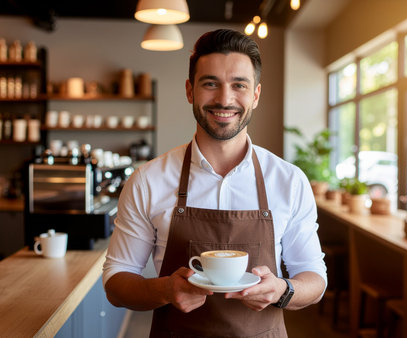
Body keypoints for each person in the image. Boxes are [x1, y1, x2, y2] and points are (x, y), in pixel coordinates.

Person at [103, 28, 327, 337]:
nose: (225, 99)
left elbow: (314, 279)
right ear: (190, 91)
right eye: (211, 84)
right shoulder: (147, 180)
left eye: (239, 85)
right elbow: (117, 282)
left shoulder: (289, 180)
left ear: (256, 95)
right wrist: (166, 290)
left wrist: (282, 290)